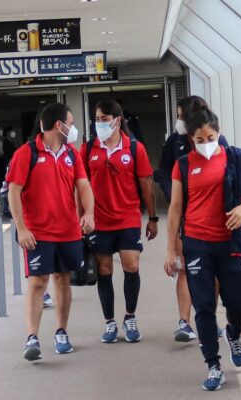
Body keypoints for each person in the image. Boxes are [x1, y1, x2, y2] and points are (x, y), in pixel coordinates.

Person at [163, 102, 241, 391]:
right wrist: (171, 249)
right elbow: (176, 208)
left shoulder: (235, 158)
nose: (205, 144)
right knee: (203, 306)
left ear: (219, 133)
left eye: (210, 138)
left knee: (238, 300)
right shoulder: (184, 165)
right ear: (191, 139)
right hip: (197, 243)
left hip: (229, 241)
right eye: (199, 140)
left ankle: (233, 333)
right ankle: (213, 364)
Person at [6, 103, 95, 361]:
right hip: (38, 232)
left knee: (63, 279)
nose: (74, 127)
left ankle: (61, 332)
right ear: (59, 125)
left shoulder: (71, 153)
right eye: (72, 122)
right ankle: (32, 337)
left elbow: (84, 185)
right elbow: (14, 191)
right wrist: (21, 228)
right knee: (38, 282)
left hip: (68, 230)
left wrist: (88, 214)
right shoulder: (26, 153)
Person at [81, 100, 158, 343]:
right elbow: (80, 185)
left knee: (132, 266)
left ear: (117, 120)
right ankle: (109, 322)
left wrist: (153, 217)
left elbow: (146, 183)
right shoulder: (88, 149)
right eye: (97, 118)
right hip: (99, 219)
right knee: (104, 270)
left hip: (127, 216)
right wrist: (81, 215)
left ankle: (130, 316)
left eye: (104, 119)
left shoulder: (135, 148)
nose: (99, 123)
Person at [155, 96, 229, 342]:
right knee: (185, 267)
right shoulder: (175, 142)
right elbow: (164, 170)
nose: (178, 120)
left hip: (212, 218)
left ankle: (208, 318)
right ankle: (184, 322)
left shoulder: (219, 142)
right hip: (185, 215)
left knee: (214, 273)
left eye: (179, 115)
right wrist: (171, 190)